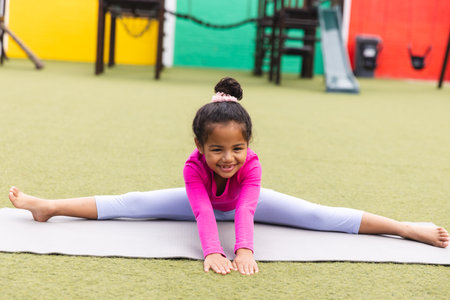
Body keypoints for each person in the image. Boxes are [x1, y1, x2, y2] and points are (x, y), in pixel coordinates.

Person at [8, 77, 449, 276]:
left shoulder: (250, 166)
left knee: (318, 214)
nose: (228, 158)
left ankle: (403, 227)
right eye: (217, 149)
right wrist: (213, 253)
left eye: (237, 148)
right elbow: (201, 210)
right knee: (133, 203)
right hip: (204, 201)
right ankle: (49, 207)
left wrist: (243, 247)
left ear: (248, 145)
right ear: (200, 147)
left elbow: (246, 207)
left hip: (240, 205)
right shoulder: (193, 167)